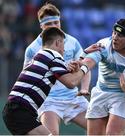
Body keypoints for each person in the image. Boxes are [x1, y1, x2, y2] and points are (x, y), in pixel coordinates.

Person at [2, 27, 90, 135]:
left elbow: (59, 73)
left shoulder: (41, 55)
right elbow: (71, 83)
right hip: (20, 110)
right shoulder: (53, 56)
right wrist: (86, 67)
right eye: (63, 44)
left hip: (16, 109)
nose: (64, 50)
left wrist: (74, 65)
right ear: (58, 42)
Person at [23, 3, 91, 135]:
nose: (54, 26)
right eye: (49, 24)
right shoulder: (32, 49)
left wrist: (84, 88)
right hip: (49, 101)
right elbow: (27, 78)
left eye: (56, 22)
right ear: (41, 26)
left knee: (101, 131)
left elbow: (85, 67)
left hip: (73, 98)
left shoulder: (72, 42)